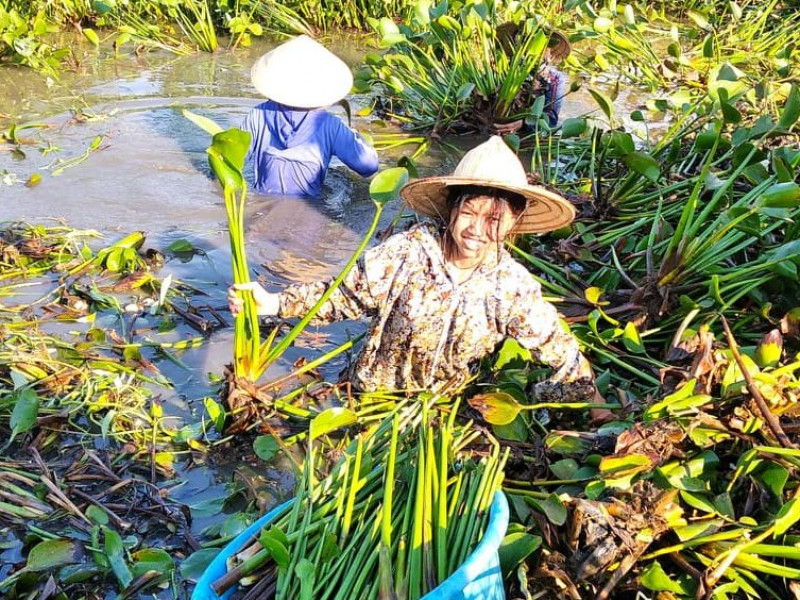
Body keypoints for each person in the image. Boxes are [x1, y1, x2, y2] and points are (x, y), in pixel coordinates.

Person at [228, 136, 613, 422]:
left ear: (513, 223)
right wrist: (275, 303)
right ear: (450, 209)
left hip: (443, 409)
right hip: (372, 398)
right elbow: (344, 296)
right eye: (469, 213)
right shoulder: (407, 252)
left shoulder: (511, 286)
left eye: (493, 220)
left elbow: (556, 346)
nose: (476, 230)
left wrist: (597, 409)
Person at [241, 34, 379, 198]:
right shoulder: (330, 125)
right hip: (312, 211)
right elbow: (368, 166)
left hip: (261, 208)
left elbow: (230, 163)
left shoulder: (257, 116)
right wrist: (355, 136)